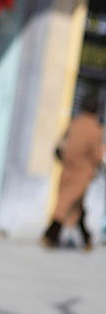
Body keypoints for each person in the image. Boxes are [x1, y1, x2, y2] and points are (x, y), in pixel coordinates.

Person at [42, 93, 104, 250]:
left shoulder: (75, 123)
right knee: (67, 203)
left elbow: (62, 144)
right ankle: (50, 235)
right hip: (82, 172)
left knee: (76, 205)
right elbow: (97, 155)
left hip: (67, 169)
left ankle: (86, 239)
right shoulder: (94, 129)